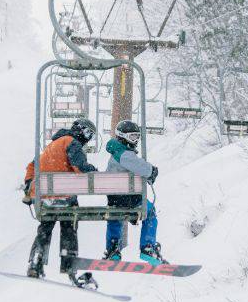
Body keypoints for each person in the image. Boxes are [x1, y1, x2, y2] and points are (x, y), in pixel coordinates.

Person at [23, 118, 97, 283]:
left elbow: (31, 166)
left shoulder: (52, 146)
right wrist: (93, 170)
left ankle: (36, 260)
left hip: (45, 198)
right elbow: (81, 169)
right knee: (69, 225)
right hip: (65, 198)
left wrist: (29, 187)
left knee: (46, 227)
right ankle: (69, 262)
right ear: (80, 130)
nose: (88, 138)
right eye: (88, 133)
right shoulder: (72, 143)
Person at [103, 120, 168, 265]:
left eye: (137, 137)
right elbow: (141, 167)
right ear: (122, 136)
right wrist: (152, 171)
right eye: (132, 137)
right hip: (129, 199)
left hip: (114, 199)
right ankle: (147, 247)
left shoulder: (116, 152)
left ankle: (113, 249)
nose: (136, 140)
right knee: (150, 212)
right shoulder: (124, 154)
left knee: (115, 216)